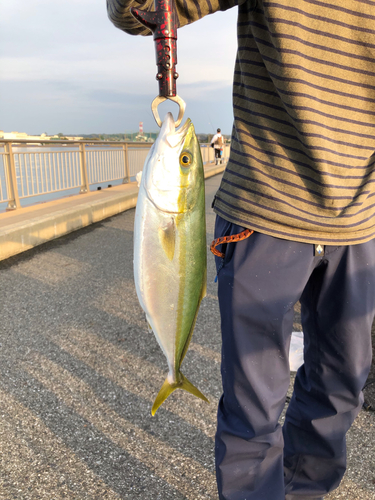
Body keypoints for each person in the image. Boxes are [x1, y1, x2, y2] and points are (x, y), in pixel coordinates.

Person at [107, 1, 375, 499]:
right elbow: (138, 12)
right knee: (255, 406)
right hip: (262, 210)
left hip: (361, 222)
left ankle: (303, 492)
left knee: (341, 389)